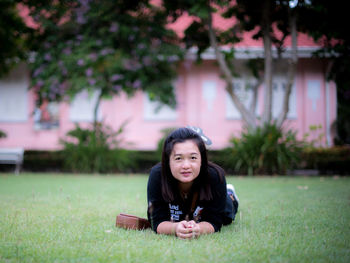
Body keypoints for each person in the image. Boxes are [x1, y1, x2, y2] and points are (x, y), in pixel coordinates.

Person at [147, 127, 239, 239]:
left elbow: (214, 223)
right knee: (178, 217)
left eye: (193, 157)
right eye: (178, 158)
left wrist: (198, 228)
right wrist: (175, 228)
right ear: (168, 161)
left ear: (202, 159)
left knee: (227, 214)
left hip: (217, 203)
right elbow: (156, 222)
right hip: (180, 211)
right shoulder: (157, 175)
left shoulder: (215, 176)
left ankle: (230, 193)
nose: (186, 165)